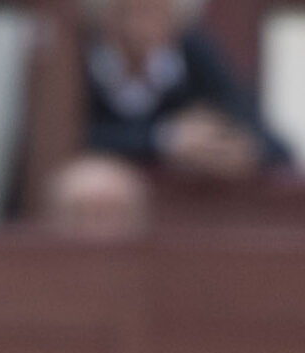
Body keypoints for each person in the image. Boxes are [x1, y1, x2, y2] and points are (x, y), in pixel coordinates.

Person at [48, 0, 289, 235]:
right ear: (104, 16)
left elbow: (268, 140)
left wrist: (235, 150)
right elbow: (66, 137)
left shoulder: (195, 55)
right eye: (131, 11)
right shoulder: (70, 56)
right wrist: (164, 139)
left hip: (186, 223)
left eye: (156, 11)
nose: (142, 25)